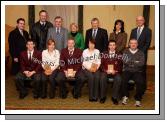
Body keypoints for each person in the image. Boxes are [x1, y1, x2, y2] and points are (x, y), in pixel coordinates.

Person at [130, 16, 152, 93]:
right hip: (132, 54)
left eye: (141, 20)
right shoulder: (133, 30)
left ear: (144, 21)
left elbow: (147, 43)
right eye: (137, 20)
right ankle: (131, 86)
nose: (139, 21)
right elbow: (131, 42)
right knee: (132, 68)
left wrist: (139, 53)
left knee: (142, 71)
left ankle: (142, 89)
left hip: (142, 55)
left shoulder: (148, 31)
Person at [121, 39, 145, 107]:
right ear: (129, 44)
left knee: (140, 82)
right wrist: (136, 62)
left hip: (137, 71)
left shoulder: (141, 53)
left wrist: (130, 62)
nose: (133, 44)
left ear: (137, 44)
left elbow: (142, 63)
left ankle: (138, 99)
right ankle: (125, 96)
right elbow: (125, 61)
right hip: (127, 70)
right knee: (123, 80)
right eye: (131, 43)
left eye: (135, 43)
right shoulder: (125, 51)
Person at [100, 40, 123, 104]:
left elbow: (121, 65)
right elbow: (101, 65)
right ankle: (103, 97)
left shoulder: (119, 54)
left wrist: (115, 71)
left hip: (115, 71)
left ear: (115, 46)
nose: (112, 46)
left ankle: (114, 97)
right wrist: (105, 70)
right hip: (105, 71)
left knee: (118, 79)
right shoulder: (104, 54)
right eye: (110, 45)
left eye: (113, 45)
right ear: (108, 46)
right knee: (102, 78)